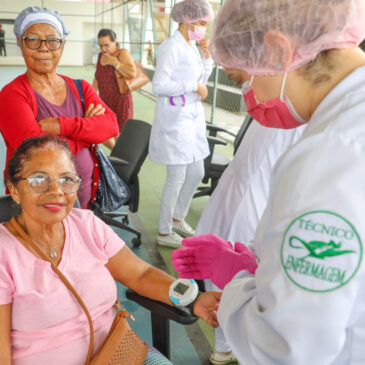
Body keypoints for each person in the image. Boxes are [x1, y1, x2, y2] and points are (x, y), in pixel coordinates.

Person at [172, 0, 365, 363]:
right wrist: (267, 261)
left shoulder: (330, 154)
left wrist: (242, 283)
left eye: (244, 77)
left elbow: (286, 346)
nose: (251, 98)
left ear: (277, 50)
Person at [0, 135, 221, 365]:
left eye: (66, 179)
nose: (56, 190)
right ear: (14, 189)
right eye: (39, 180)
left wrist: (193, 300)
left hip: (120, 354)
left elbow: (140, 274)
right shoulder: (4, 253)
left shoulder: (87, 225)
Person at [194, 112, 306, 363]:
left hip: (240, 196)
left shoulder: (277, 106)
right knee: (236, 281)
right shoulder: (300, 118)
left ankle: (225, 346)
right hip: (253, 203)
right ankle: (227, 346)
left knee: (226, 276)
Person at [0, 7, 118, 209]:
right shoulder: (12, 95)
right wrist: (87, 134)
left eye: (52, 40)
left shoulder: (81, 88)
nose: (44, 48)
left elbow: (111, 125)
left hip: (84, 201)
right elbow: (38, 153)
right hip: (36, 207)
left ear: (62, 45)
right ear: (20, 43)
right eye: (33, 39)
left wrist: (60, 126)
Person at [149, 0, 214, 248]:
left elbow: (201, 79)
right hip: (176, 122)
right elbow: (159, 85)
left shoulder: (192, 47)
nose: (203, 29)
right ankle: (164, 232)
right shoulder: (171, 47)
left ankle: (178, 218)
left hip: (192, 120)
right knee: (176, 177)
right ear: (186, 19)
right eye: (201, 23)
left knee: (196, 172)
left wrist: (207, 58)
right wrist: (192, 87)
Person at [93, 28, 136, 150]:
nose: (103, 49)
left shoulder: (122, 53)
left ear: (115, 41)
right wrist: (90, 94)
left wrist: (115, 63)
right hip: (105, 101)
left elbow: (132, 73)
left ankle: (121, 158)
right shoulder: (101, 56)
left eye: (106, 45)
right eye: (101, 46)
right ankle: (118, 153)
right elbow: (97, 77)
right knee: (101, 130)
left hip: (121, 101)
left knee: (120, 136)